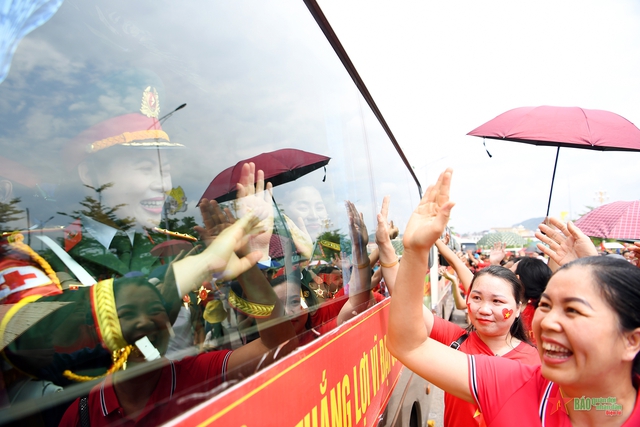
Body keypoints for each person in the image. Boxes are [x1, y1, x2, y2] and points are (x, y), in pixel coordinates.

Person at [387, 168, 640, 426]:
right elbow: (410, 344)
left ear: (632, 340)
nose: (548, 322)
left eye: (573, 310)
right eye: (546, 304)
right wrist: (415, 250)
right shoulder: (516, 383)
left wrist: (595, 271)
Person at [59, 209, 298, 426]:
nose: (143, 326)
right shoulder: (82, 414)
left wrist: (244, 264)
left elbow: (277, 347)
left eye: (155, 313)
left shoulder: (196, 375)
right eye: (127, 315)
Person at [377, 195, 538, 427]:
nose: (484, 309)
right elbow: (406, 303)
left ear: (517, 307)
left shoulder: (536, 363)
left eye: (497, 301)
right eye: (476, 297)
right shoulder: (455, 340)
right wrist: (387, 246)